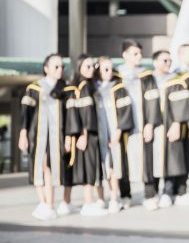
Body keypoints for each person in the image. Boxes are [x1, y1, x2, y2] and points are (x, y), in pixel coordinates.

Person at [18, 54, 71, 220]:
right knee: (39, 166)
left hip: (57, 137)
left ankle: (50, 204)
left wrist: (69, 137)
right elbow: (26, 113)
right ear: (46, 68)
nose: (60, 69)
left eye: (62, 66)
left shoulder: (65, 90)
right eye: (56, 66)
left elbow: (70, 116)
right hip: (38, 135)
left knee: (50, 166)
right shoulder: (34, 88)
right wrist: (23, 132)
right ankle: (44, 202)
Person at [116, 40, 162, 210]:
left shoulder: (147, 76)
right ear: (125, 55)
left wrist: (150, 123)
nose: (139, 56)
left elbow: (153, 100)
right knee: (122, 160)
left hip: (142, 125)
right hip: (122, 126)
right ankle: (125, 195)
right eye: (135, 53)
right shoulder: (116, 76)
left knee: (146, 160)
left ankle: (150, 194)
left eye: (140, 53)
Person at [151, 49, 189, 208]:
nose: (168, 63)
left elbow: (185, 103)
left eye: (169, 61)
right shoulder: (149, 80)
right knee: (161, 159)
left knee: (173, 159)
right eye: (164, 60)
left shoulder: (177, 79)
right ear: (155, 62)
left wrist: (181, 123)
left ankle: (171, 192)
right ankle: (158, 193)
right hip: (155, 127)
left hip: (172, 125)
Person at [68, 54, 108, 216]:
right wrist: (83, 135)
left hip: (92, 133)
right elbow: (84, 114)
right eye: (87, 66)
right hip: (88, 134)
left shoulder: (87, 86)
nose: (92, 69)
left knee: (92, 168)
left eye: (93, 66)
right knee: (89, 168)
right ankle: (88, 203)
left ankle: (92, 202)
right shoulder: (84, 86)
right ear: (79, 68)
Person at [95, 56, 134, 214]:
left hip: (113, 136)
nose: (109, 72)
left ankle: (114, 198)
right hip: (97, 136)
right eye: (105, 69)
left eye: (111, 68)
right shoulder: (92, 89)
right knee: (97, 167)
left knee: (113, 167)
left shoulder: (118, 88)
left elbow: (126, 112)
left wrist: (118, 131)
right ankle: (99, 199)